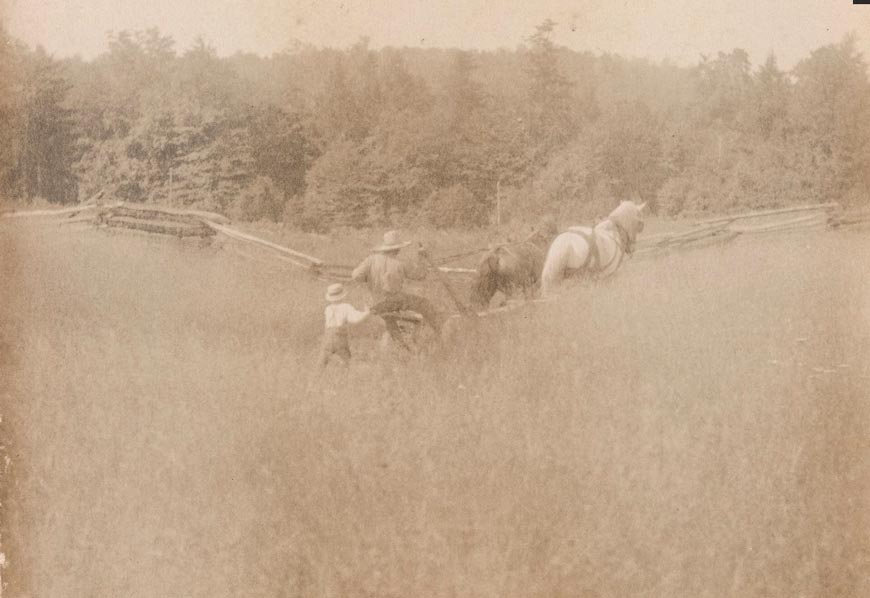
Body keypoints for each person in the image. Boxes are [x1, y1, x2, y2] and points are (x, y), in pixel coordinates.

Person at [351, 230, 444, 344]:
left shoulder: (371, 260)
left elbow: (355, 276)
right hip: (394, 301)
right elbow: (420, 275)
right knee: (424, 304)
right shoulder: (400, 263)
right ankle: (441, 334)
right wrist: (422, 259)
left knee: (396, 307)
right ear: (397, 248)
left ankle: (400, 340)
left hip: (375, 302)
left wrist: (370, 279)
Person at [320, 282, 370, 367]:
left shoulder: (327, 309)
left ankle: (317, 376)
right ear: (342, 296)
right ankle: (344, 376)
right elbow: (355, 319)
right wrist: (366, 312)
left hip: (327, 335)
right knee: (345, 358)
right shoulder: (346, 307)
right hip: (339, 336)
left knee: (323, 360)